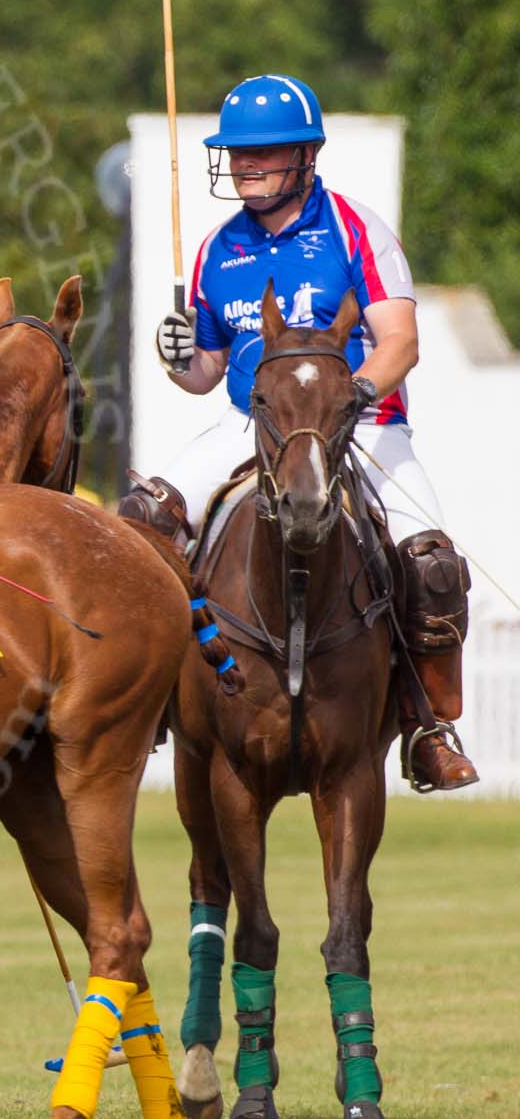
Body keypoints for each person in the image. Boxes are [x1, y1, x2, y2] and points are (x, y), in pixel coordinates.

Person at [122, 73, 475, 790]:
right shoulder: (219, 249)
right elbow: (207, 370)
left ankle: (428, 725)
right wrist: (177, 357)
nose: (245, 167)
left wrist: (356, 395)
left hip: (363, 422)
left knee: (433, 565)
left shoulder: (355, 227)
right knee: (142, 523)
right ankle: (155, 701)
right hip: (251, 424)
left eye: (264, 154)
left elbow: (399, 340)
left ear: (306, 155)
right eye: (237, 155)